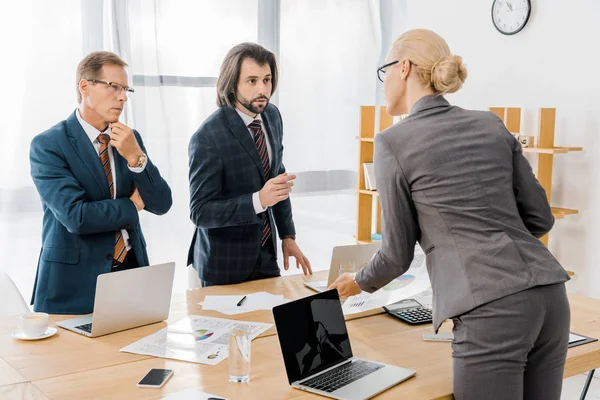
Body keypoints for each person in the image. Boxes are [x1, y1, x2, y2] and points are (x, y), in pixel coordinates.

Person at [329, 29, 570, 400]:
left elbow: (395, 254)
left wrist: (356, 282)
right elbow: (540, 218)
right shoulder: (490, 123)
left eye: (385, 71)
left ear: (404, 67)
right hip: (551, 299)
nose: (384, 82)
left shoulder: (392, 142)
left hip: (491, 311)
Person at [29, 51, 172, 314]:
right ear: (85, 86)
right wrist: (132, 206)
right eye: (113, 87)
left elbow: (162, 203)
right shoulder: (49, 144)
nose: (122, 97)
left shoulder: (128, 138)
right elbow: (77, 217)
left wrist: (136, 158)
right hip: (73, 286)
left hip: (131, 274)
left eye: (126, 89)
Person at [187, 42, 311, 286]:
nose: (262, 89)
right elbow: (200, 212)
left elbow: (278, 179)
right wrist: (258, 201)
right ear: (232, 84)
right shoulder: (207, 136)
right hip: (223, 265)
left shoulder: (272, 116)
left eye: (267, 79)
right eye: (252, 81)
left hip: (266, 256)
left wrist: (288, 235)